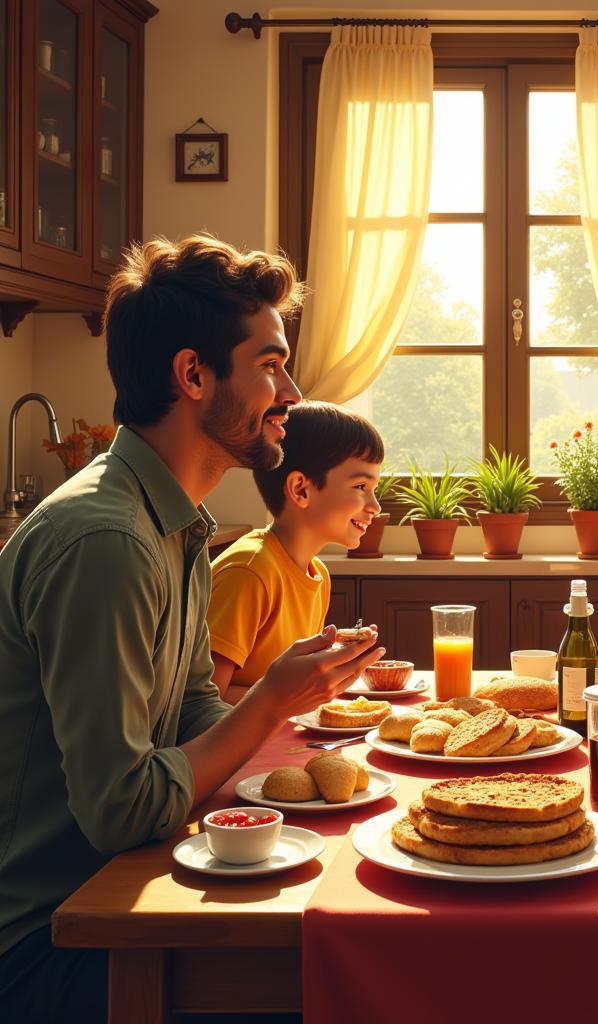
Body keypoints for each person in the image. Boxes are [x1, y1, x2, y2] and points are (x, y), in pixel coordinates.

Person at [0, 235, 384, 1023]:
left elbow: (192, 710)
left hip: (124, 893)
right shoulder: (108, 541)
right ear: (193, 375)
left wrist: (301, 751)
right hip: (51, 943)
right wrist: (274, 700)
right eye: (271, 364)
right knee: (367, 987)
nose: (292, 389)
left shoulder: (172, 525)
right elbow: (123, 809)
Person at [207, 401, 384, 704]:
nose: (375, 507)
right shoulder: (250, 571)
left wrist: (332, 654)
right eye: (360, 486)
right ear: (301, 489)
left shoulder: (317, 574)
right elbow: (206, 700)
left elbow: (277, 673)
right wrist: (303, 693)